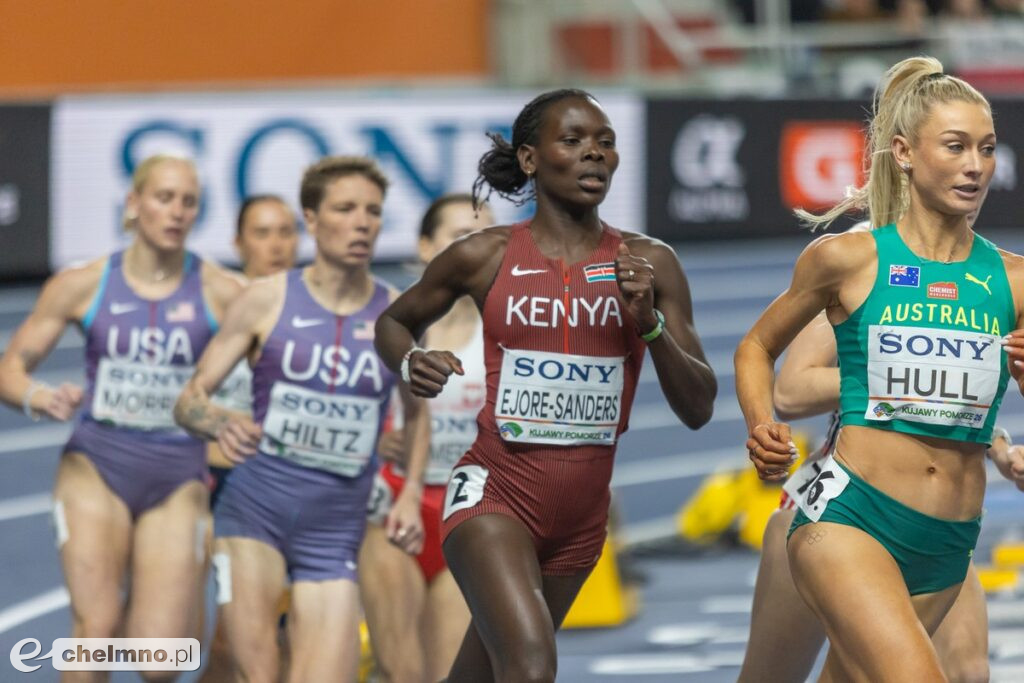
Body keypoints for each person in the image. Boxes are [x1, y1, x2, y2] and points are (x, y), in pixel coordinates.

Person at [375, 89, 717, 682]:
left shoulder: (650, 263)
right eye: (574, 141)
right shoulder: (484, 256)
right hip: (492, 494)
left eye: (605, 143)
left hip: (582, 518)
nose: (594, 155)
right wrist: (410, 363)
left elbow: (699, 408)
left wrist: (650, 326)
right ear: (531, 160)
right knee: (531, 665)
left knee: (483, 672)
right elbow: (393, 322)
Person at [736, 56, 1024, 680]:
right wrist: (760, 424)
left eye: (988, 149)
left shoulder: (1012, 279)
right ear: (904, 152)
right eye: (956, 147)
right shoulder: (851, 259)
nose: (976, 166)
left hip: (948, 540)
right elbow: (759, 352)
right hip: (850, 516)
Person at [174, 155, 429, 683]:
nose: (362, 223)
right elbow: (189, 399)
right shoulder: (264, 300)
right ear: (311, 219)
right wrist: (218, 420)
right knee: (254, 671)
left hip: (335, 533)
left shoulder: (396, 316)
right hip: (253, 516)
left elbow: (417, 415)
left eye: (373, 212)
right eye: (345, 209)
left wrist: (407, 496)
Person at [0, 155, 242, 682]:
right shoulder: (83, 283)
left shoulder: (222, 292)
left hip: (178, 478)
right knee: (96, 627)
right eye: (164, 198)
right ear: (134, 205)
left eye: (188, 201)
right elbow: (10, 368)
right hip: (96, 468)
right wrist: (38, 398)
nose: (176, 212)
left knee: (158, 663)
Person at [740, 242, 1024, 683]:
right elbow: (790, 391)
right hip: (838, 495)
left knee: (968, 671)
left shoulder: (985, 273)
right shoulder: (858, 257)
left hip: (934, 511)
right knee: (772, 676)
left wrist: (1002, 449)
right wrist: (896, 364)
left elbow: (955, 408)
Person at [360, 193, 492, 683]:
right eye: (460, 237)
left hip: (469, 517)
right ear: (424, 246)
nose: (473, 249)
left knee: (449, 675)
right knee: (401, 673)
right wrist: (371, 443)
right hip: (395, 507)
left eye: (484, 237)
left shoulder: (505, 332)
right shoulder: (392, 325)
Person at [200, 194, 299, 683]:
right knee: (230, 639)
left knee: (282, 634)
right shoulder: (217, 303)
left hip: (290, 485)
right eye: (262, 233)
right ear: (238, 242)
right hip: (217, 483)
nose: (276, 245)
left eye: (285, 232)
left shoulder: (311, 306)